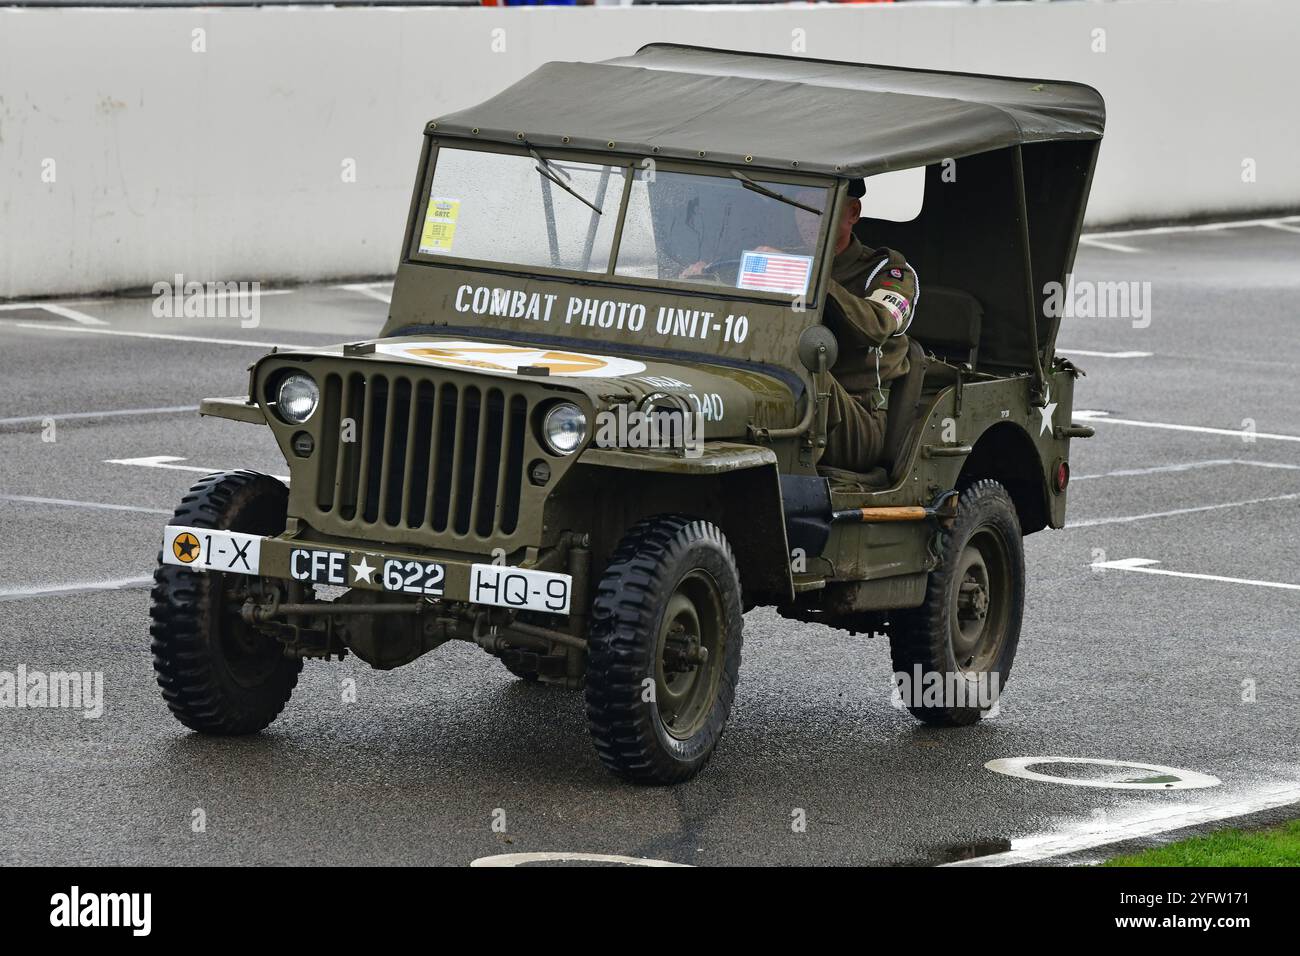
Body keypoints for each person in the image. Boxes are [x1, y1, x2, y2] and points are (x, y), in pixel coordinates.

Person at [818, 178, 918, 473]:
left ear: (851, 212)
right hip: (806, 410)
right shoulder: (784, 257)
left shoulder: (887, 271)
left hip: (858, 420)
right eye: (799, 206)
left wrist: (811, 279)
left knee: (800, 376)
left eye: (820, 205)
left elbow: (877, 325)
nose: (807, 216)